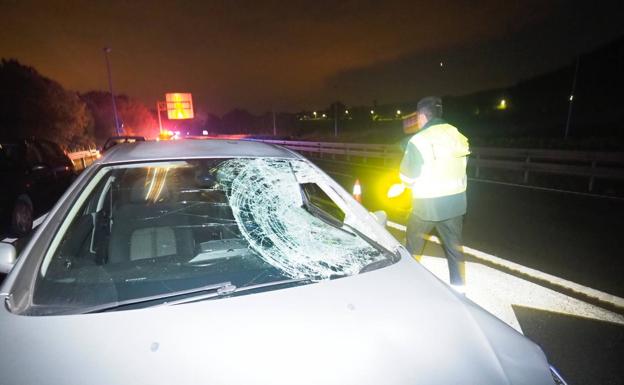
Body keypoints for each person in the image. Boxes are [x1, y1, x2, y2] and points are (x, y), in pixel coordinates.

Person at [396, 96, 470, 292]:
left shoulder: (419, 140)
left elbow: (408, 176)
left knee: (412, 247)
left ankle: (405, 286)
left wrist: (405, 184)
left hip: (426, 206)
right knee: (454, 249)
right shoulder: (457, 134)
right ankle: (459, 288)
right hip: (455, 204)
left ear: (421, 116)